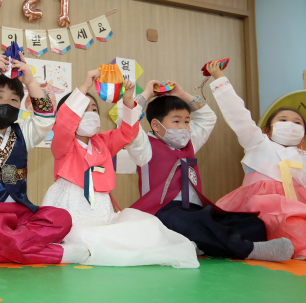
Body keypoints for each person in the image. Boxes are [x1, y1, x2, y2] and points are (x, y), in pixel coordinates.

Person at [43, 70, 199, 268]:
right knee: (80, 234)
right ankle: (73, 249)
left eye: (94, 110)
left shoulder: (102, 142)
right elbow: (64, 125)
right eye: (83, 109)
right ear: (72, 114)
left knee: (146, 225)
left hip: (101, 208)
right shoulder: (63, 146)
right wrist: (84, 87)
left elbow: (127, 132)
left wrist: (128, 99)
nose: (91, 114)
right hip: (69, 206)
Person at [126, 79, 294, 262]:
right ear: (156, 125)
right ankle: (247, 249)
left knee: (253, 224)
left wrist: (182, 95)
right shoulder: (144, 147)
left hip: (195, 210)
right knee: (185, 222)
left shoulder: (190, 143)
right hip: (163, 212)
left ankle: (199, 244)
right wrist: (147, 94)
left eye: (187, 121)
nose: (183, 127)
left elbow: (208, 117)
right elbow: (127, 123)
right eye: (176, 121)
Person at [0, 53, 87, 264]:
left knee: (61, 218)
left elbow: (44, 118)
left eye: (14, 99)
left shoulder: (24, 132)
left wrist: (30, 82)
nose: (7, 102)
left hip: (18, 216)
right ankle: (57, 254)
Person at [205, 61, 306, 259]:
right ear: (267, 129)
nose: (290, 124)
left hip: (295, 209)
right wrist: (220, 78)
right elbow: (238, 115)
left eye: (297, 123)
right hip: (256, 206)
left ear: (303, 135)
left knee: (299, 225)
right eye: (282, 120)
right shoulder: (258, 143)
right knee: (238, 227)